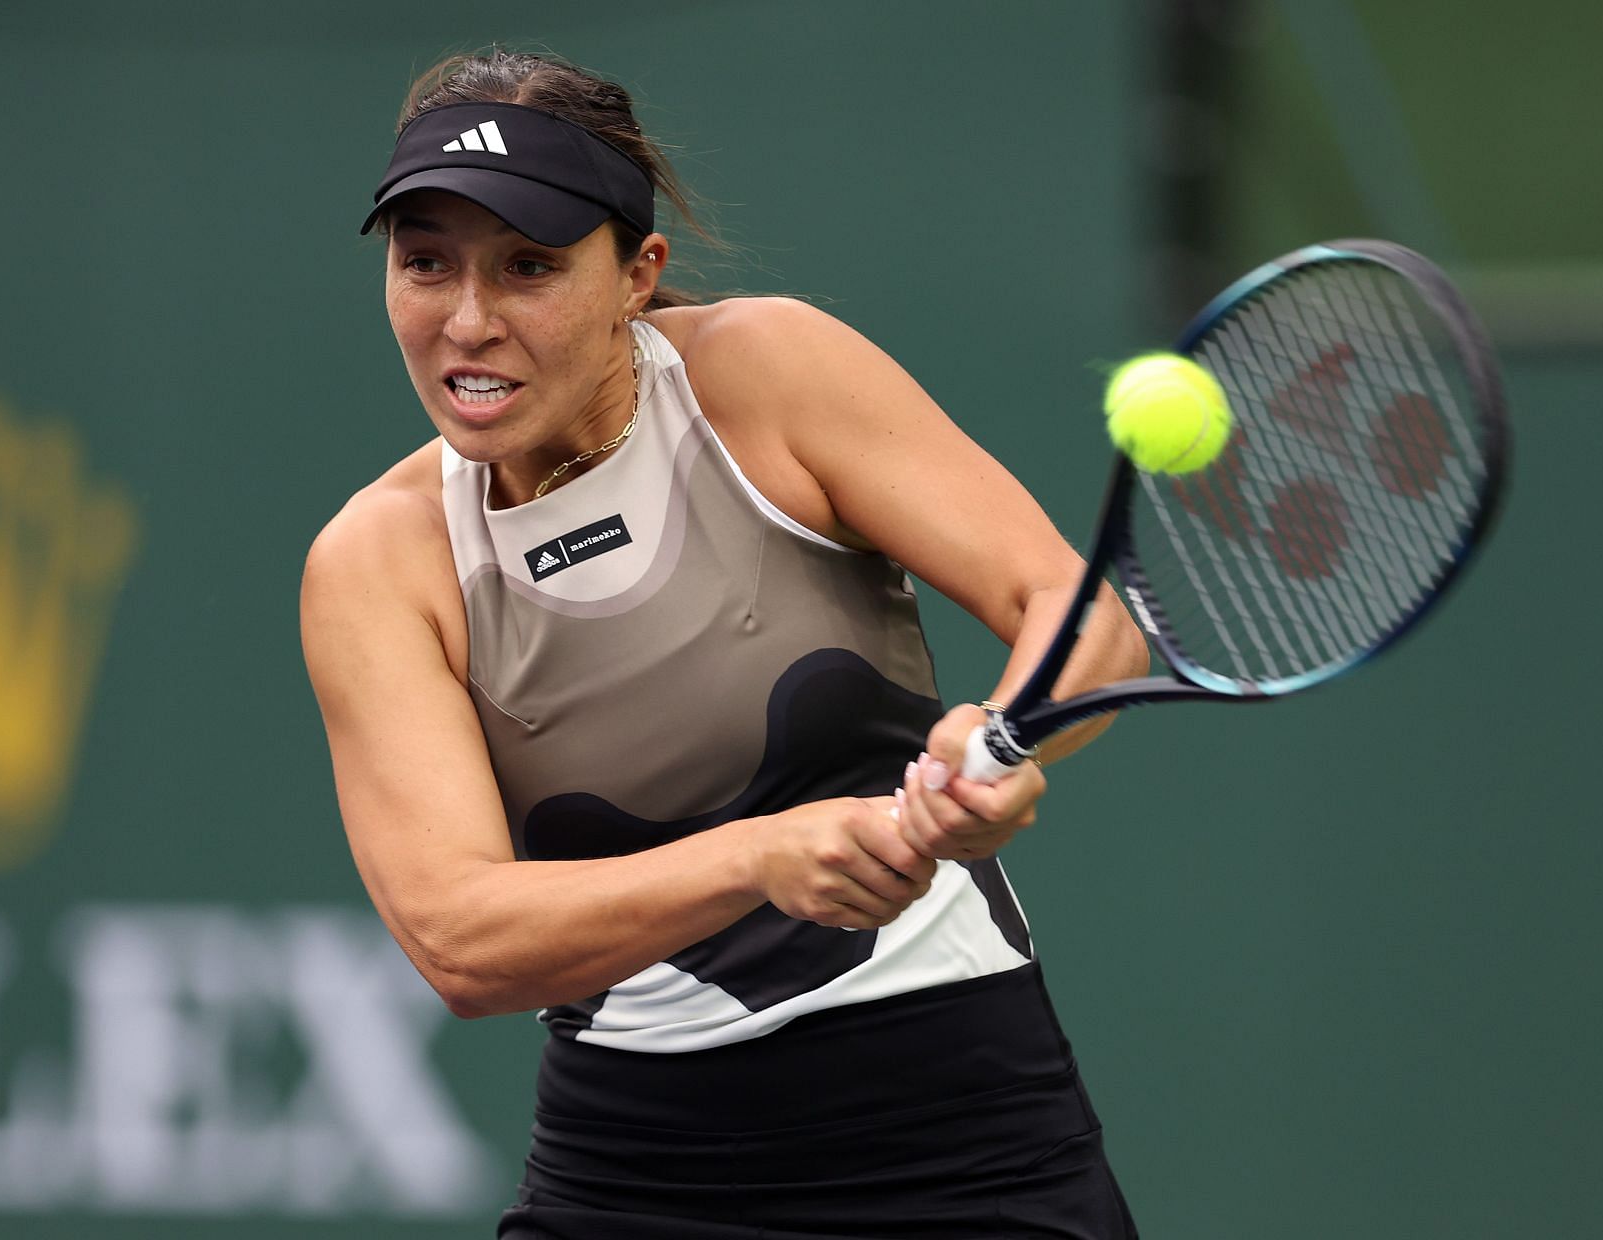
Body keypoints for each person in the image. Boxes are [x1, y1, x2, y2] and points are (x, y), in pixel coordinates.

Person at [301, 47, 1149, 1239]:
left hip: (962, 1138)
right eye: (425, 263)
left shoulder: (768, 375)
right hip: (631, 1172)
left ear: (637, 274)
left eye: (530, 267)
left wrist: (1011, 749)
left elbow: (1079, 612)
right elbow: (460, 939)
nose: (469, 321)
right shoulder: (377, 562)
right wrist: (761, 857)